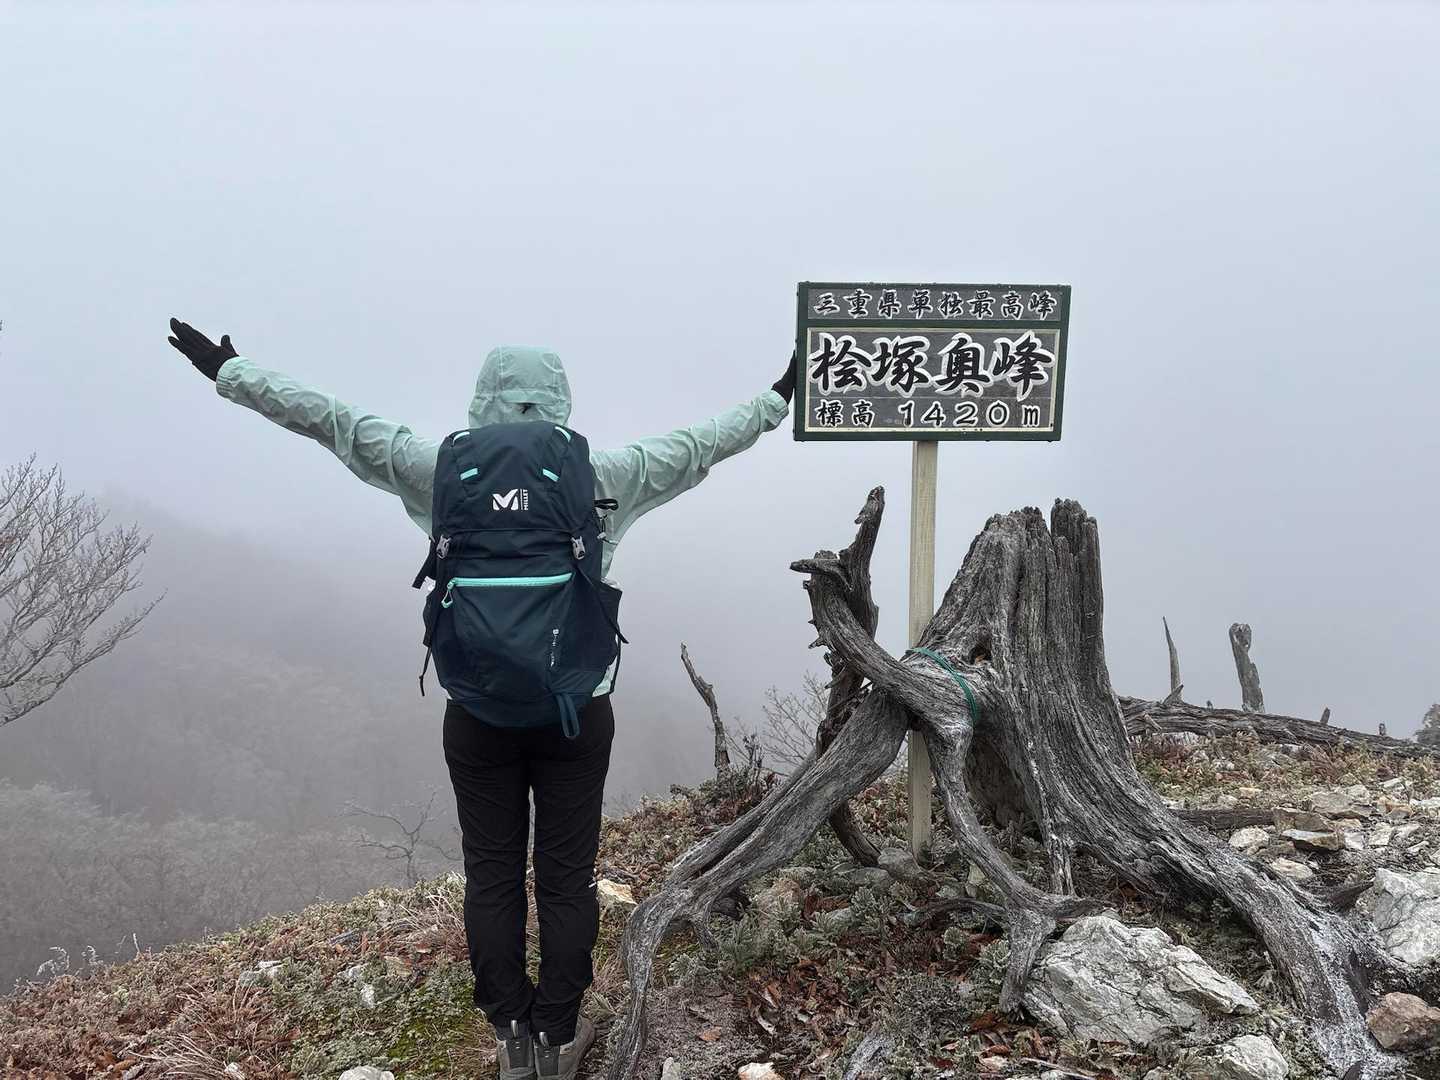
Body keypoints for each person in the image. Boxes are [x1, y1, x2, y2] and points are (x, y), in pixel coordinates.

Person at [167, 318, 796, 1080]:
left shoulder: (440, 469)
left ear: (482, 398)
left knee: (492, 874)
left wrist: (233, 374)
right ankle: (559, 1039)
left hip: (476, 715)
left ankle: (511, 1040)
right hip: (575, 714)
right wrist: (777, 398)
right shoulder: (601, 475)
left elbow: (334, 423)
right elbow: (701, 445)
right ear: (558, 400)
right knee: (566, 877)